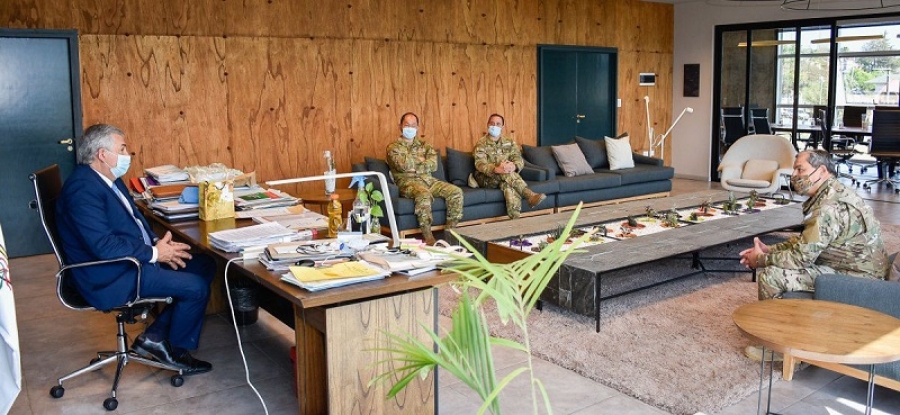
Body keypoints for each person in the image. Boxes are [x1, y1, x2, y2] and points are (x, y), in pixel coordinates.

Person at [56, 124, 215, 374]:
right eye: (122, 149)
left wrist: (158, 243)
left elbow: (134, 223)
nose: (127, 154)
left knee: (204, 264)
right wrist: (155, 254)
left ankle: (155, 337)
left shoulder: (108, 179)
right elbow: (104, 246)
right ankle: (176, 352)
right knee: (195, 287)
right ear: (102, 154)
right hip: (109, 274)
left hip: (130, 260)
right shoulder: (82, 190)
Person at [739, 149, 890, 360]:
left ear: (821, 171)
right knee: (778, 265)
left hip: (857, 278)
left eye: (800, 169)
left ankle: (782, 348)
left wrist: (760, 260)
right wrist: (771, 250)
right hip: (850, 266)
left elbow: (802, 258)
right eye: (794, 170)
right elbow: (807, 242)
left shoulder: (828, 207)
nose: (794, 175)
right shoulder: (833, 192)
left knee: (772, 276)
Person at [386, 112, 463, 244]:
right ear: (400, 126)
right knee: (423, 194)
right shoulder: (393, 147)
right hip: (407, 183)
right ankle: (428, 238)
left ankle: (450, 234)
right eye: (407, 125)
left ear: (417, 127)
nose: (410, 128)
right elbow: (403, 166)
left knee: (456, 192)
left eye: (413, 125)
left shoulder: (425, 145)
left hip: (428, 180)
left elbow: (434, 165)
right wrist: (421, 160)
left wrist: (414, 164)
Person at [472, 114, 546, 218]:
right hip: (485, 178)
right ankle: (529, 195)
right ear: (488, 125)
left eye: (498, 124)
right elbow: (480, 164)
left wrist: (514, 166)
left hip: (505, 176)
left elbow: (518, 158)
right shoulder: (481, 143)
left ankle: (514, 216)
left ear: (502, 126)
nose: (495, 126)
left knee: (507, 185)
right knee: (506, 173)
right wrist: (496, 169)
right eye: (492, 123)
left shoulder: (509, 142)